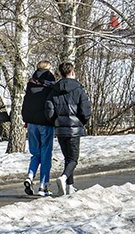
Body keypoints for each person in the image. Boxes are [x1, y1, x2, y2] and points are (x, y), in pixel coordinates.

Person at [45, 62, 91, 196]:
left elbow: (49, 110)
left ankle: (70, 187)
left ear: (60, 73)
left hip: (60, 128)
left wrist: (55, 121)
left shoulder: (54, 89)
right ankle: (64, 178)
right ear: (73, 71)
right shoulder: (78, 89)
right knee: (73, 159)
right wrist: (81, 122)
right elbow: (85, 110)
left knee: (68, 158)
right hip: (74, 128)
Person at [20, 61, 57, 196]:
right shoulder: (51, 84)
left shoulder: (30, 84)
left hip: (31, 124)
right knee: (46, 155)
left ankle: (30, 176)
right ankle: (43, 186)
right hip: (45, 123)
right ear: (49, 69)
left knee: (35, 154)